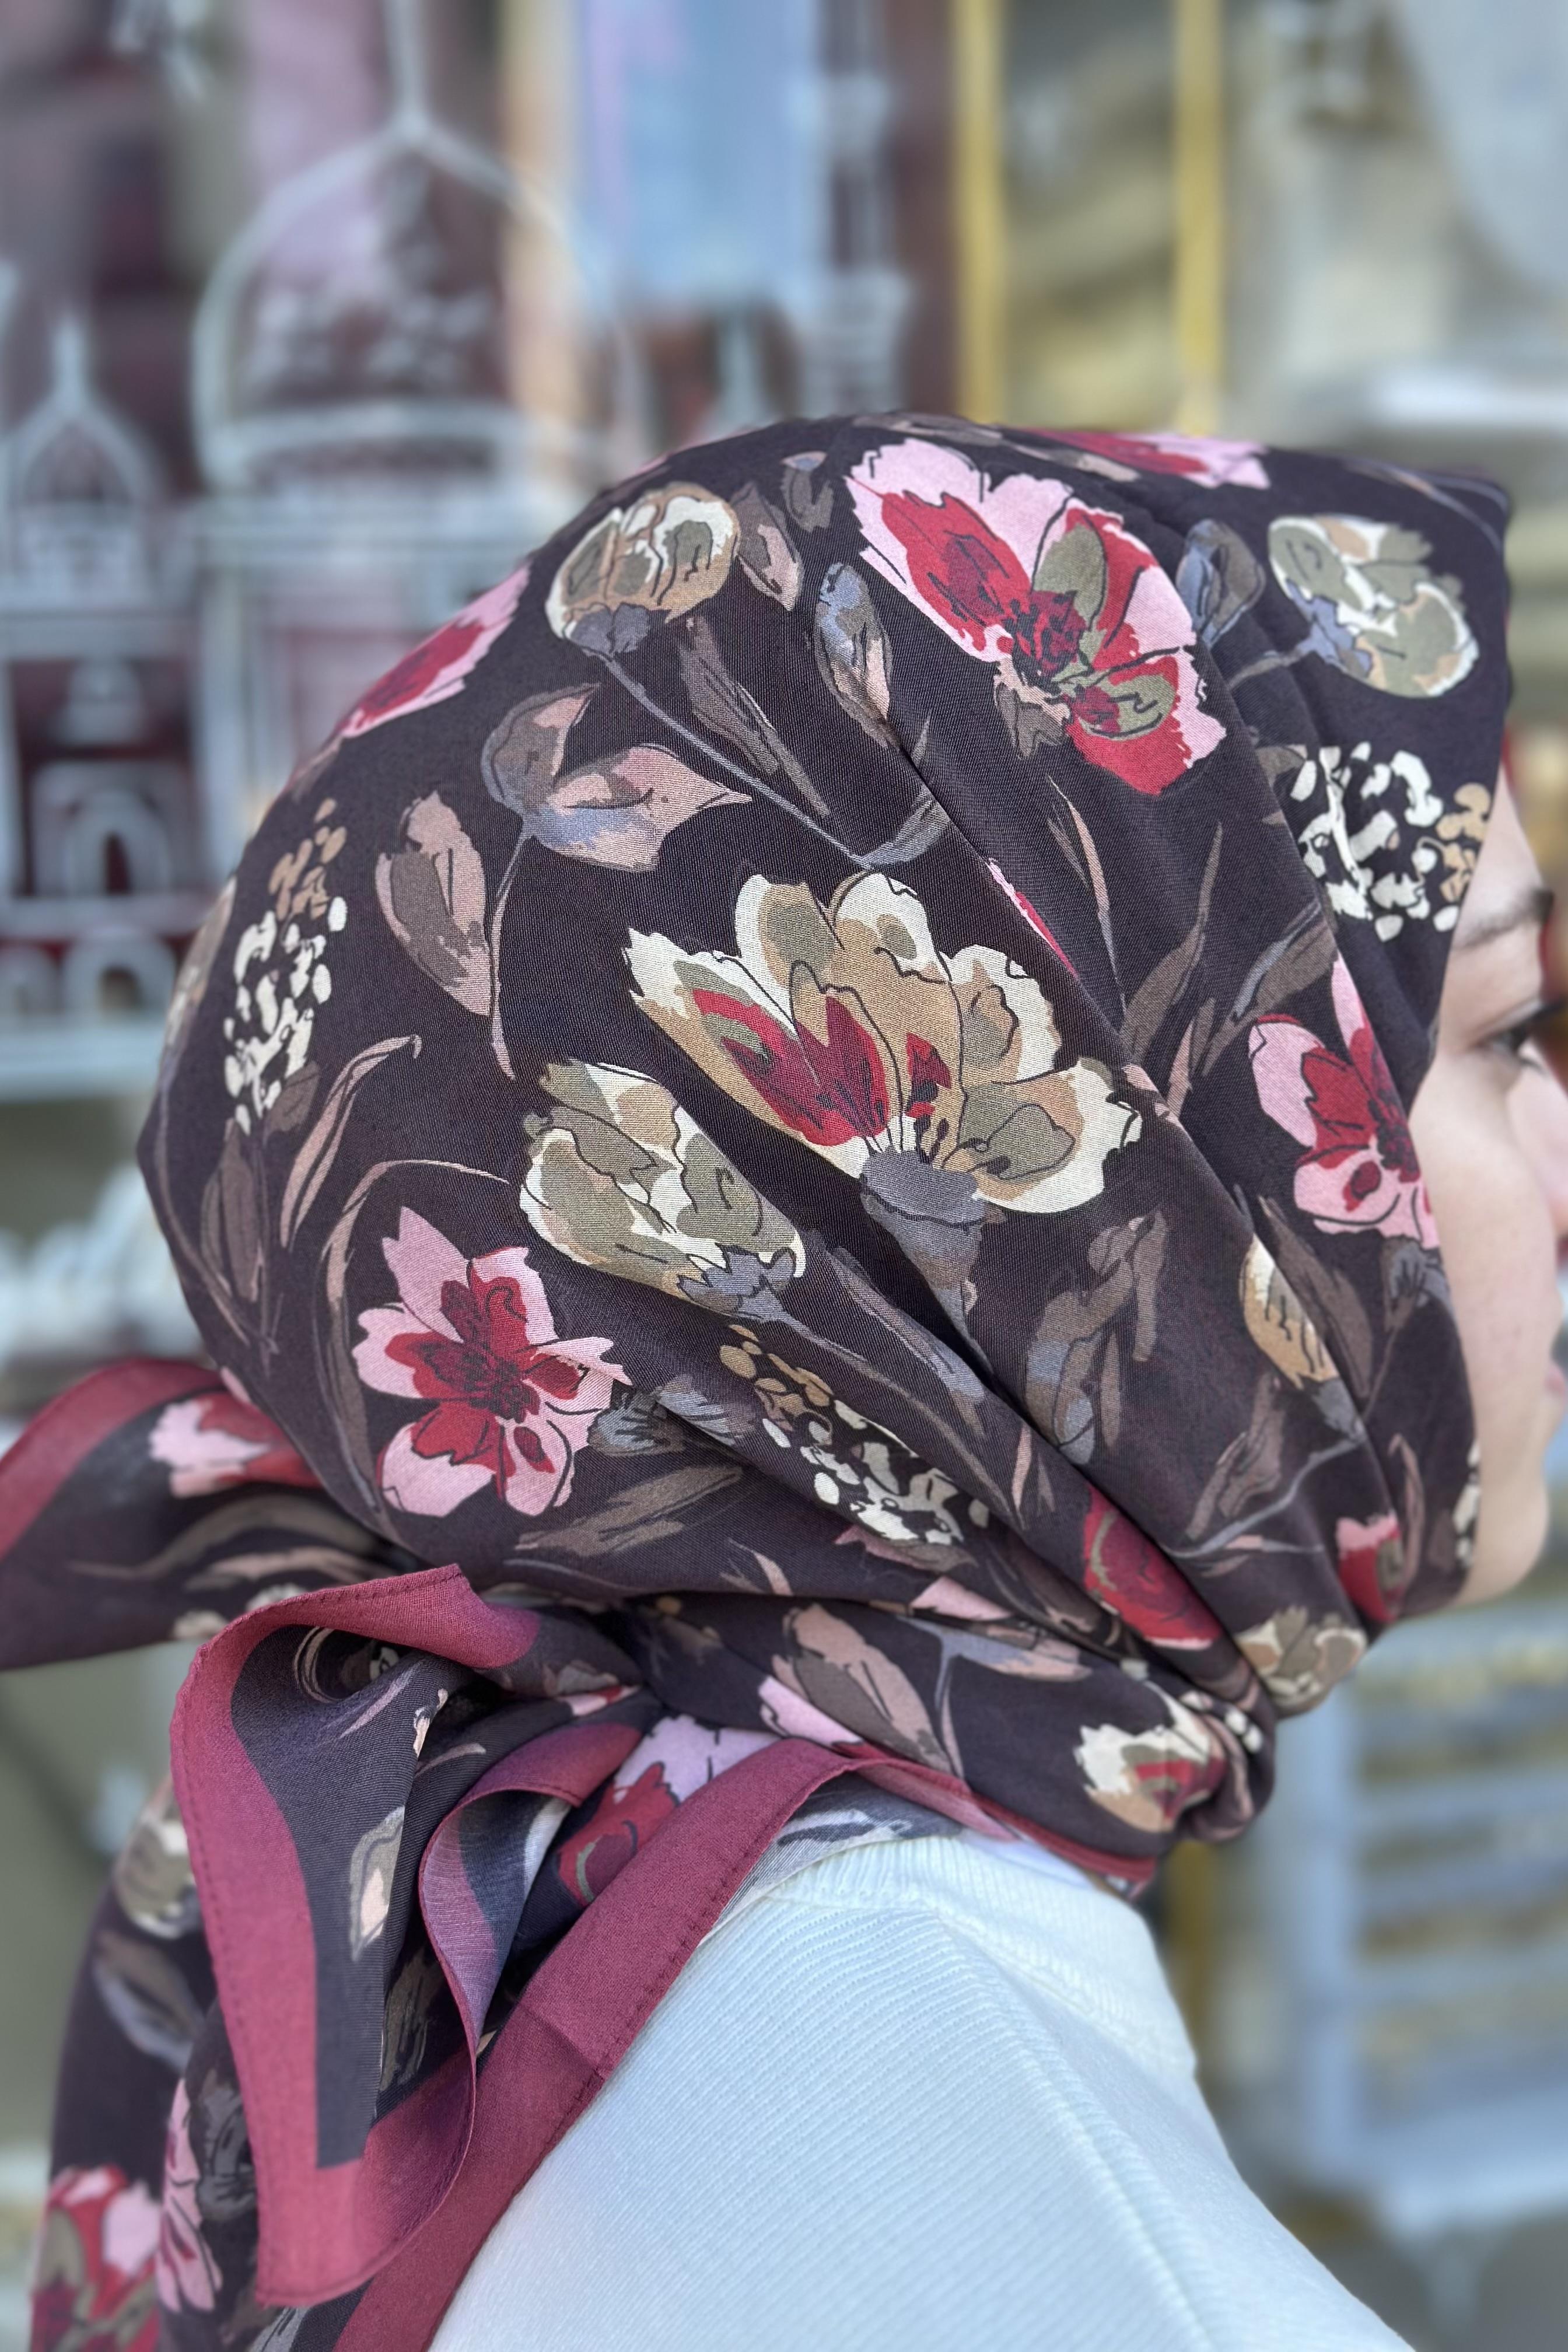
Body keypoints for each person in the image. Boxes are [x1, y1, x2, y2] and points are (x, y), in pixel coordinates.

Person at [2, 413, 1562, 2352]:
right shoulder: (997, 2199)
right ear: (1085, 1178)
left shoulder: (590, 1925)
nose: (1561, 1160)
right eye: (1512, 1034)